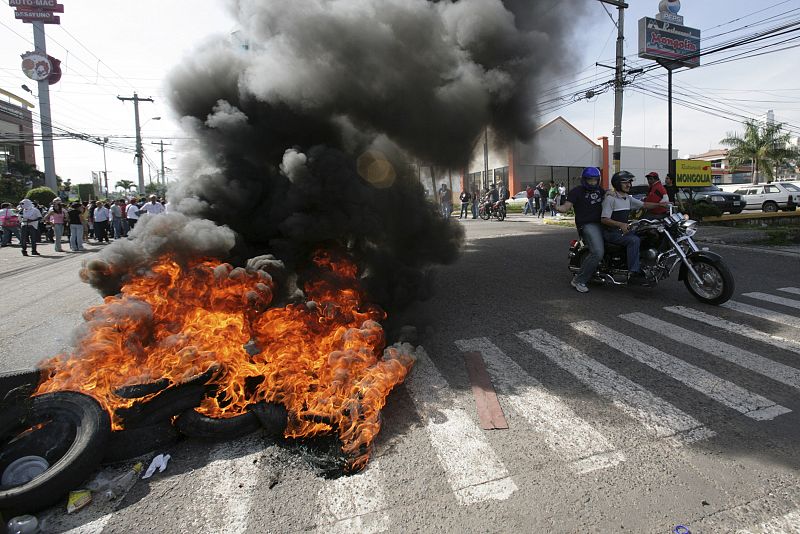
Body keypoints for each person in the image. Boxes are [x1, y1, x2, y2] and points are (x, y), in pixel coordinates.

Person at [601, 171, 668, 285]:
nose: (629, 185)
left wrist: (660, 205)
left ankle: (644, 264)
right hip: (611, 233)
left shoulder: (627, 198)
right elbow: (604, 219)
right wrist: (621, 224)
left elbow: (644, 205)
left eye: (630, 182)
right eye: (625, 182)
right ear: (617, 184)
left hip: (623, 231)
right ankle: (633, 273)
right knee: (634, 240)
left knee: (647, 235)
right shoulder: (610, 199)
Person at [557, 167, 605, 293]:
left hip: (603, 223)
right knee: (597, 252)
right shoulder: (576, 191)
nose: (593, 182)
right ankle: (579, 280)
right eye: (590, 180)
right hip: (587, 224)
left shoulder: (600, 190)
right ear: (585, 180)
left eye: (595, 180)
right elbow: (566, 207)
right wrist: (558, 208)